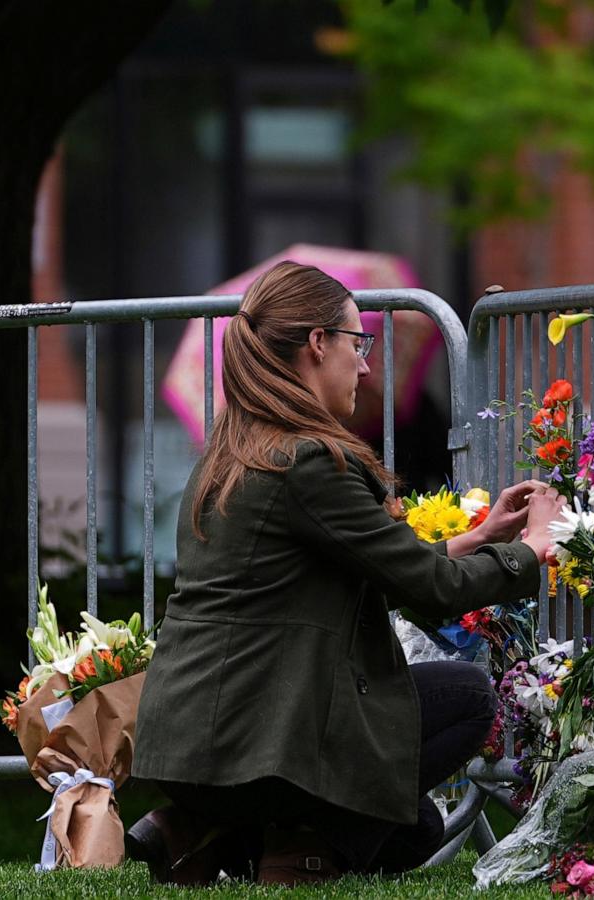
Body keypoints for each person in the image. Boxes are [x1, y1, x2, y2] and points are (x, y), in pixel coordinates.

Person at [129, 261, 561, 886]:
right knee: (467, 699)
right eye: (358, 344)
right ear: (317, 343)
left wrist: (477, 538)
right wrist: (535, 548)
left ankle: (203, 833)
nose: (365, 365)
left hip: (189, 744)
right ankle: (299, 852)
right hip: (252, 748)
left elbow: (367, 571)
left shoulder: (230, 453)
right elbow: (432, 593)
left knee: (416, 830)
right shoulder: (307, 463)